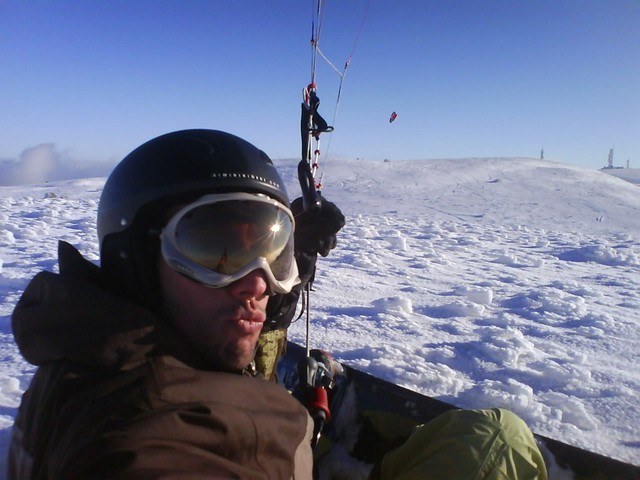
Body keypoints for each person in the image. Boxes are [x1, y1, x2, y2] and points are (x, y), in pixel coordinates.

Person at [8, 129, 547, 479]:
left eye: (269, 250)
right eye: (216, 249)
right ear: (134, 259)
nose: (258, 284)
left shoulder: (100, 353)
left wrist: (293, 263)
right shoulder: (157, 438)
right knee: (494, 440)